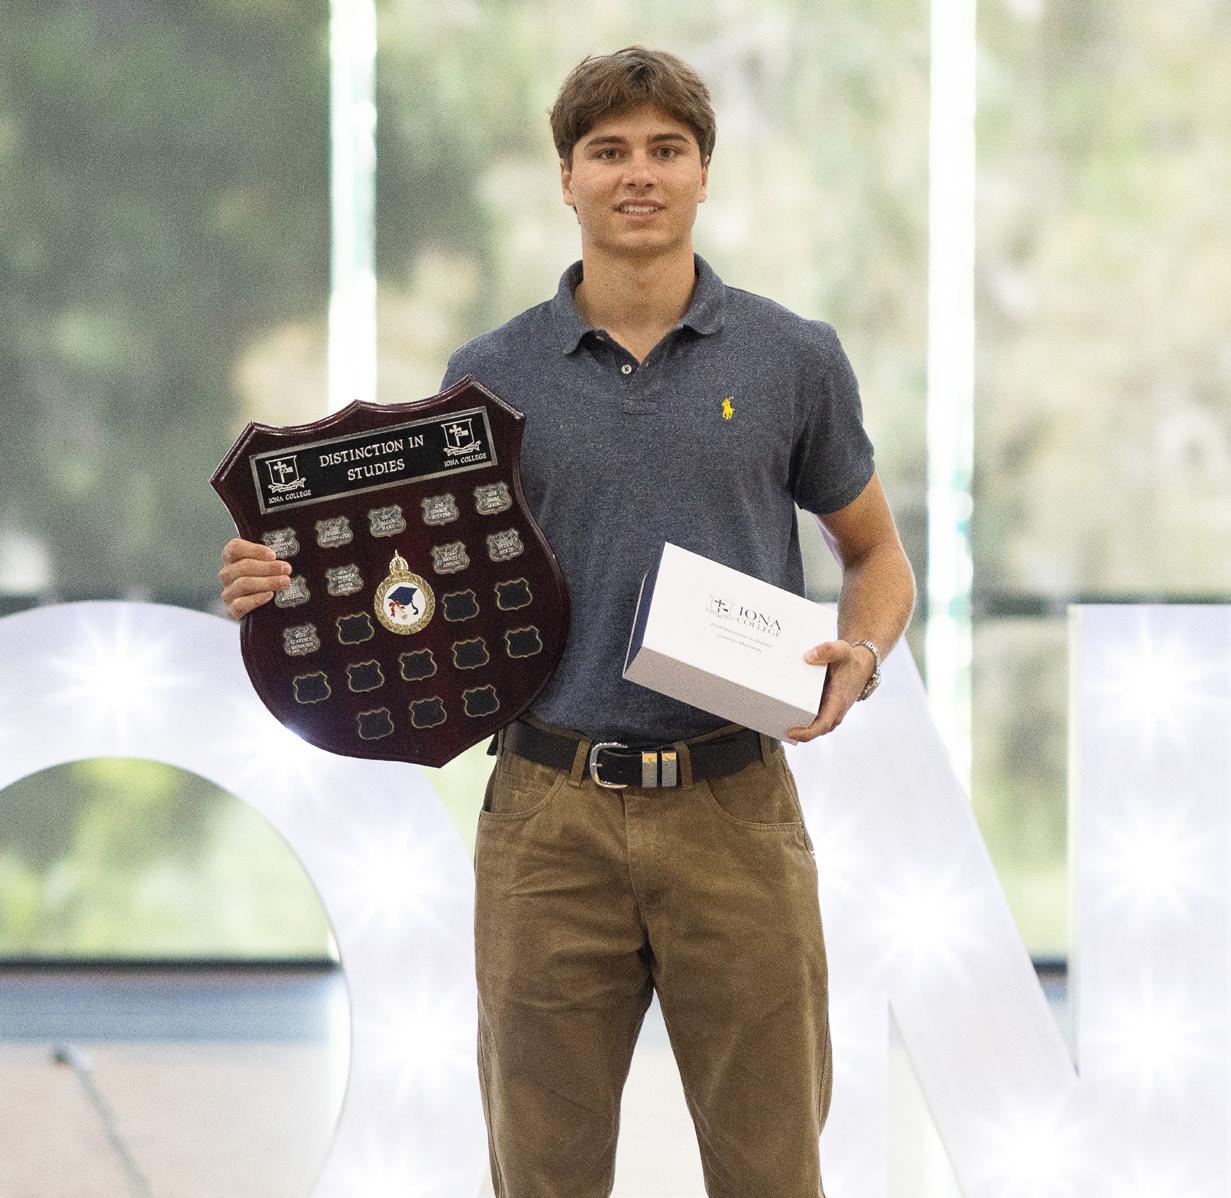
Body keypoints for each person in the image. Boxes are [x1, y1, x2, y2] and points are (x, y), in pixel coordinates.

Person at [220, 46, 915, 1198]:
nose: (637, 173)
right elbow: (409, 581)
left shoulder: (793, 359)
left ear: (703, 173)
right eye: (608, 151)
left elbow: (875, 552)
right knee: (541, 1173)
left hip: (734, 808)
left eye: (665, 149)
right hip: (548, 816)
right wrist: (286, 579)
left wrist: (864, 649)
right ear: (566, 178)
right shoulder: (489, 374)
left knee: (772, 1169)